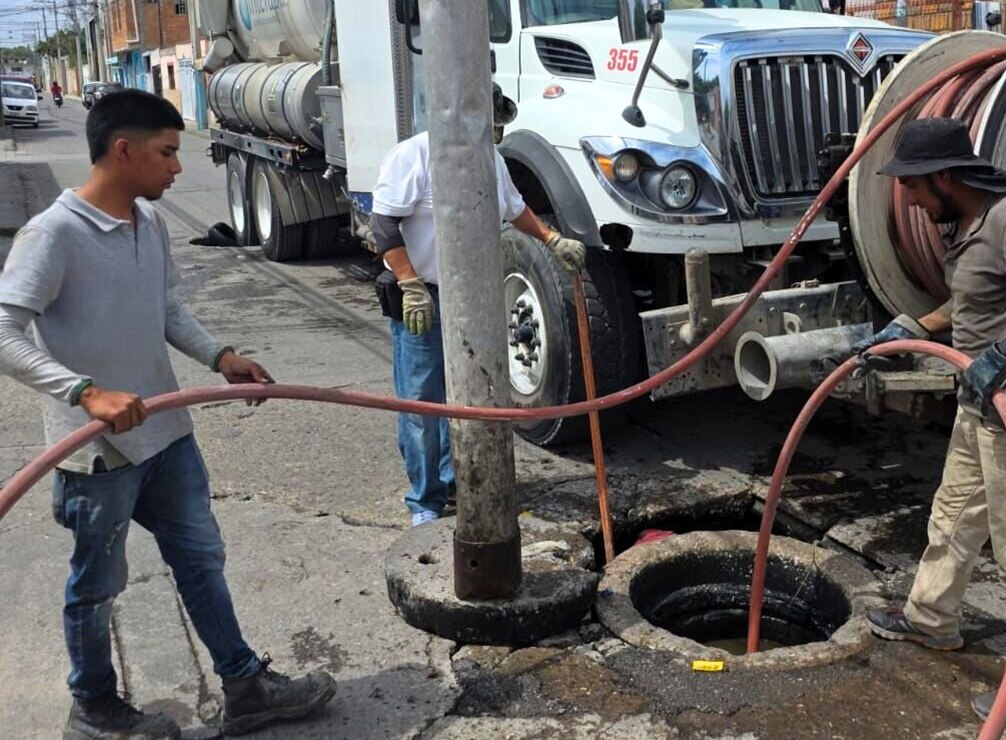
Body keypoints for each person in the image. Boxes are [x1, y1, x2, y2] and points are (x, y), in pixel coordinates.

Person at [0, 89, 336, 739]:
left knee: (201, 558)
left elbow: (168, 309)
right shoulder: (54, 233)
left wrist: (221, 356)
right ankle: (93, 707)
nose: (177, 168)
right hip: (95, 448)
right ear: (122, 151)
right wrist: (82, 392)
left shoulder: (147, 222)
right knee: (96, 586)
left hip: (165, 430)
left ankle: (245, 686)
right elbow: (4, 328)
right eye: (167, 153)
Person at [854, 118, 1006, 730]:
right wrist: (921, 325)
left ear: (944, 177)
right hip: (981, 409)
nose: (906, 199)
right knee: (953, 518)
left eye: (911, 186)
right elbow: (978, 298)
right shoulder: (967, 222)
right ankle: (931, 619)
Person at [371, 83, 585, 528]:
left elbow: (514, 209)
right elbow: (384, 222)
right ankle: (426, 501)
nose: (496, 130)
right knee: (422, 403)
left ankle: (455, 482)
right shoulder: (414, 157)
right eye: (492, 121)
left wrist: (551, 239)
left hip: (472, 297)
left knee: (467, 395)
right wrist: (409, 283)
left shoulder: (492, 160)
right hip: (423, 297)